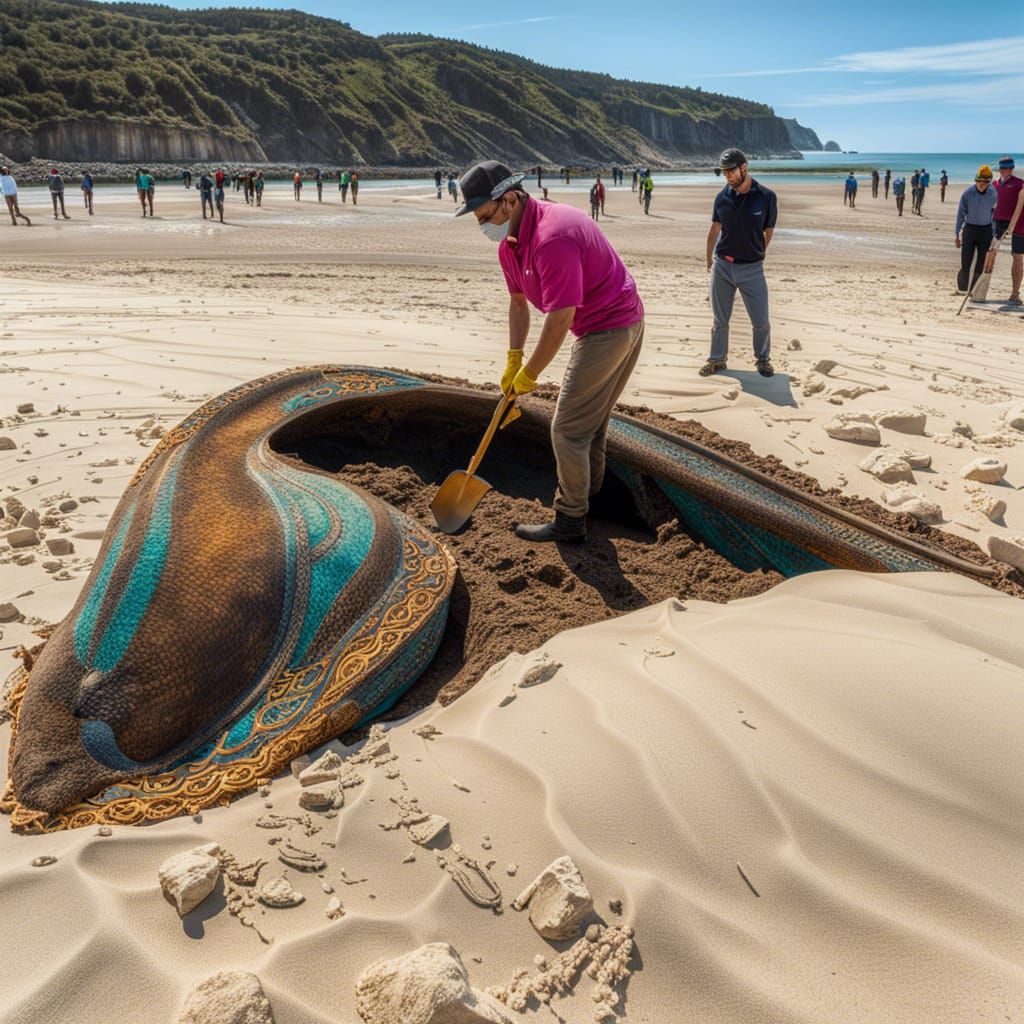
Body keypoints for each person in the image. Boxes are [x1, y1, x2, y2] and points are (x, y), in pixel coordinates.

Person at [456, 159, 644, 543]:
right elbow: (518, 303)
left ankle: (571, 520)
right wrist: (513, 358)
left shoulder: (550, 237)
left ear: (508, 200)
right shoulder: (510, 244)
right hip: (610, 323)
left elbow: (560, 319)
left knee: (566, 430)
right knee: (587, 427)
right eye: (476, 219)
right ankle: (591, 500)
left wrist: (530, 375)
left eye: (484, 215)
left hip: (612, 327)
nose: (481, 226)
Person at [701, 148, 777, 379]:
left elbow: (769, 231)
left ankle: (763, 360)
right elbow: (715, 229)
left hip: (752, 268)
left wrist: (757, 253)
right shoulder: (722, 197)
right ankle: (717, 360)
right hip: (722, 266)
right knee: (720, 319)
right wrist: (709, 259)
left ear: (744, 168)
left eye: (731, 171)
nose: (728, 177)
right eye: (724, 173)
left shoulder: (766, 197)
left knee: (760, 320)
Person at [955, 165, 997, 293]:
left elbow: (995, 214)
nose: (981, 184)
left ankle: (974, 290)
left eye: (985, 182)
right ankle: (962, 289)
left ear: (989, 182)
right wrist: (956, 234)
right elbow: (960, 214)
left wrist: (995, 234)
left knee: (981, 263)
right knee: (966, 261)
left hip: (986, 231)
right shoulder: (968, 193)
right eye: (979, 181)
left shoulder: (994, 194)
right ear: (976, 180)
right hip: (970, 230)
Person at [993, 156, 1024, 305]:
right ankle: (979, 287)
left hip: (1018, 225)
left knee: (1017, 257)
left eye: (1007, 167)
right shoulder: (995, 184)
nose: (1005, 170)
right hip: (998, 222)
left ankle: (1015, 293)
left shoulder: (1020, 184)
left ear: (1012, 168)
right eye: (1002, 167)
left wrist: (1013, 224)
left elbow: (1020, 203)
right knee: (990, 252)